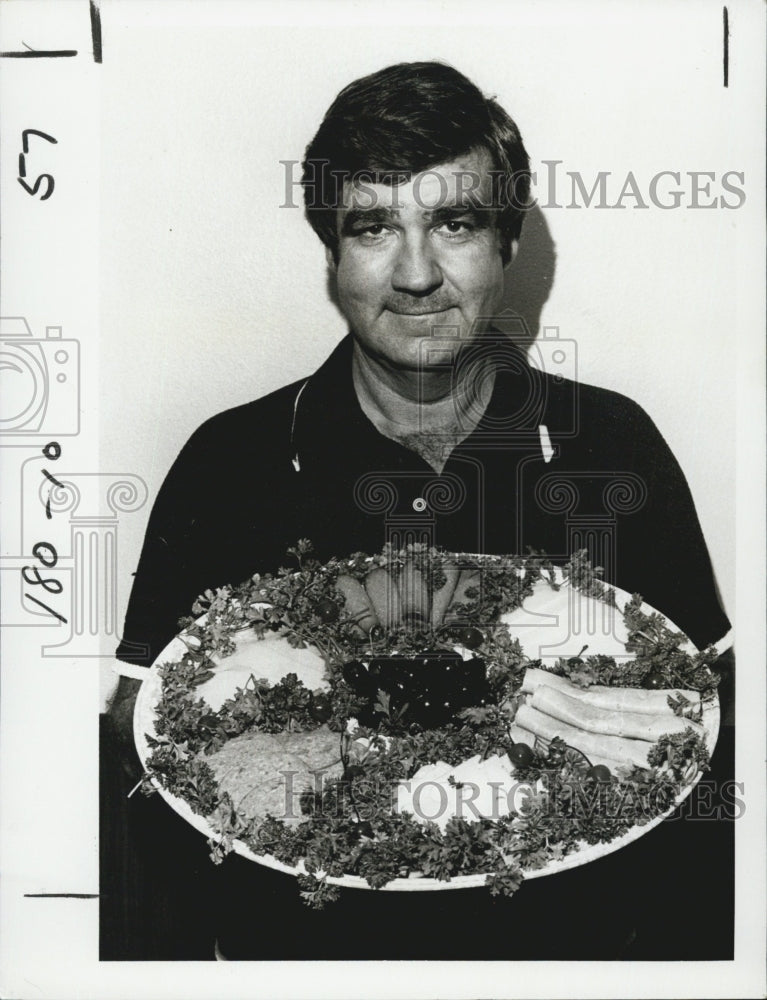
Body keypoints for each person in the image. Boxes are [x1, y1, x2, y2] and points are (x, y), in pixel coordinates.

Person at [103, 61, 733, 960]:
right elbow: (144, 726)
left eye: (454, 222)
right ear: (331, 256)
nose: (415, 274)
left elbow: (704, 712)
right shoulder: (230, 461)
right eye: (372, 227)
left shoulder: (610, 444)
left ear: (505, 243)